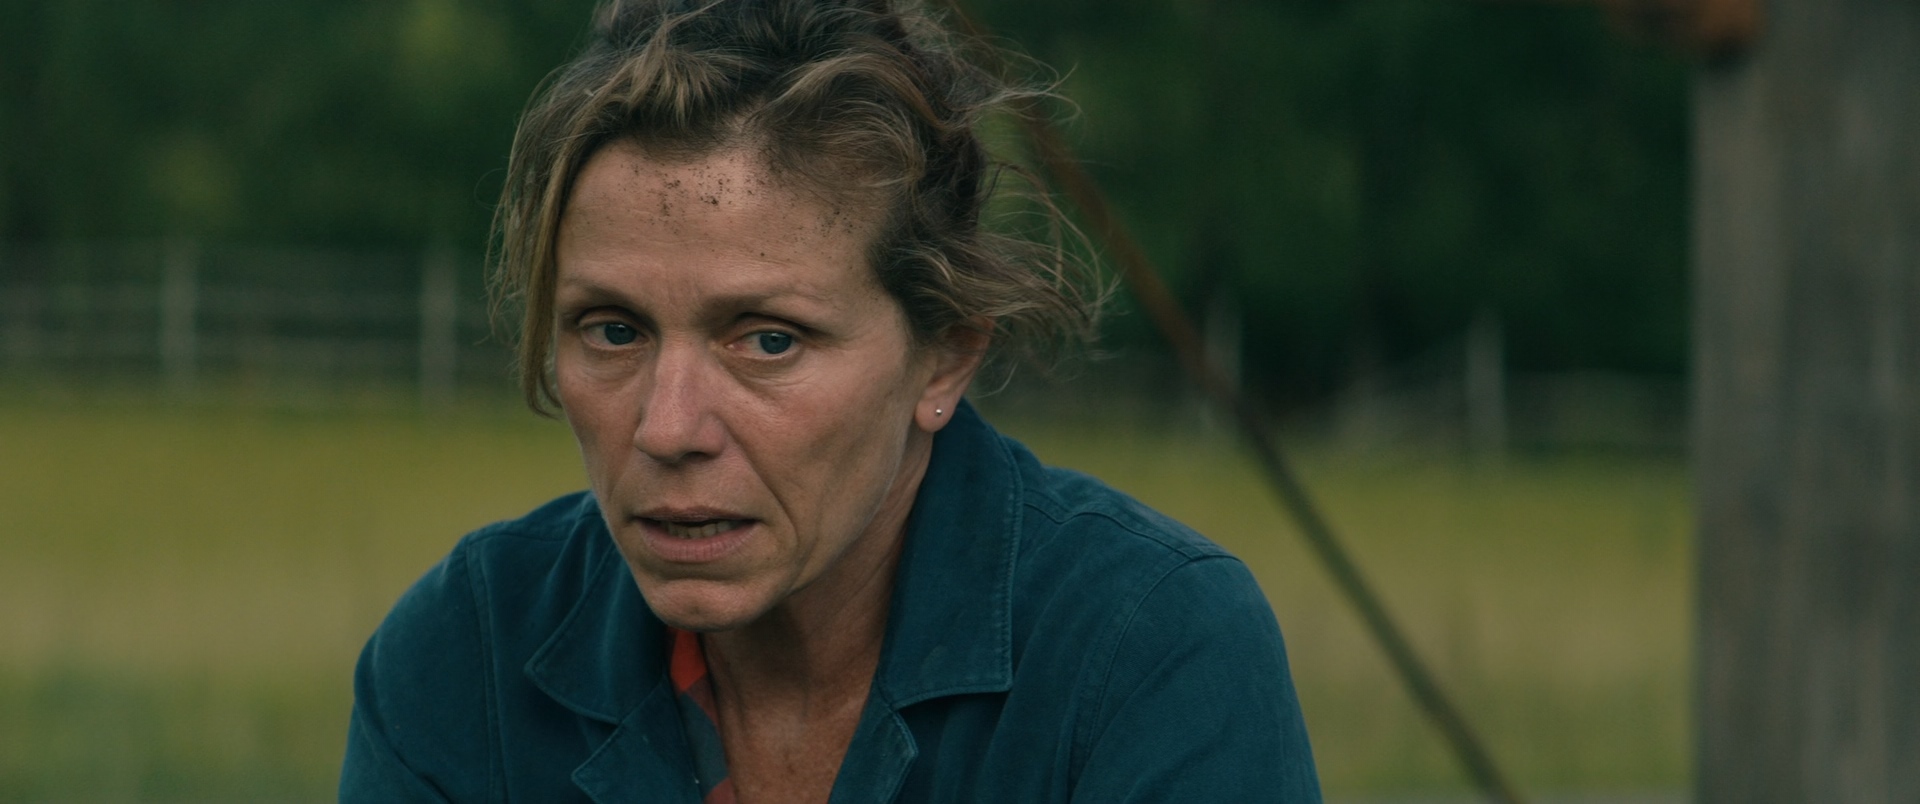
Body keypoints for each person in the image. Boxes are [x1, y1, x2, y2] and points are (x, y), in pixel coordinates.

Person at [340, 0, 1320, 801]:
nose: (667, 427)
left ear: (944, 359)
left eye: (768, 340)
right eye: (613, 331)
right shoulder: (466, 657)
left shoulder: (1146, 651)